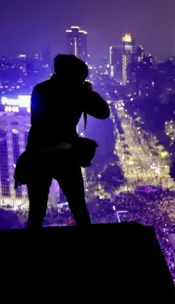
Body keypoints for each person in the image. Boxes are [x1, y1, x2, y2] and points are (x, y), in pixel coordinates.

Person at [24, 54, 110, 229]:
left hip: (37, 154)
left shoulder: (40, 89)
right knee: (78, 206)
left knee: (36, 211)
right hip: (64, 154)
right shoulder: (76, 92)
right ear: (77, 76)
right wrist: (87, 92)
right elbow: (103, 111)